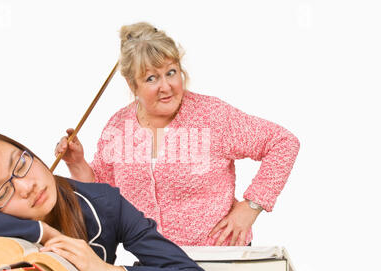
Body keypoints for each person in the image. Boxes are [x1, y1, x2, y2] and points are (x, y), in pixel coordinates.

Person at [55, 22, 300, 247]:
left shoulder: (211, 115)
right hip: (156, 264)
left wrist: (252, 205)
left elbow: (282, 142)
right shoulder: (118, 128)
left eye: (171, 72)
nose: (166, 86)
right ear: (133, 85)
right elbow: (103, 194)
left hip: (219, 261)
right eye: (151, 78)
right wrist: (76, 163)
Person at [0, 130, 212, 271]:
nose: (27, 187)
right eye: (2, 192)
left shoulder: (105, 203)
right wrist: (42, 233)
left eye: (20, 163)